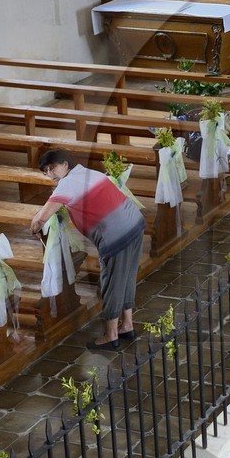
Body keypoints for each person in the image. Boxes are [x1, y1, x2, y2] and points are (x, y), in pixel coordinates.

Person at [31, 149, 145, 351]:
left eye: (53, 168)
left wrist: (35, 229)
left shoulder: (66, 184)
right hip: (135, 223)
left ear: (66, 165)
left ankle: (111, 335)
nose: (50, 174)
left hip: (115, 235)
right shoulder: (89, 172)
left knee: (111, 283)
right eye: (46, 171)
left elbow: (40, 219)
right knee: (126, 276)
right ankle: (127, 325)